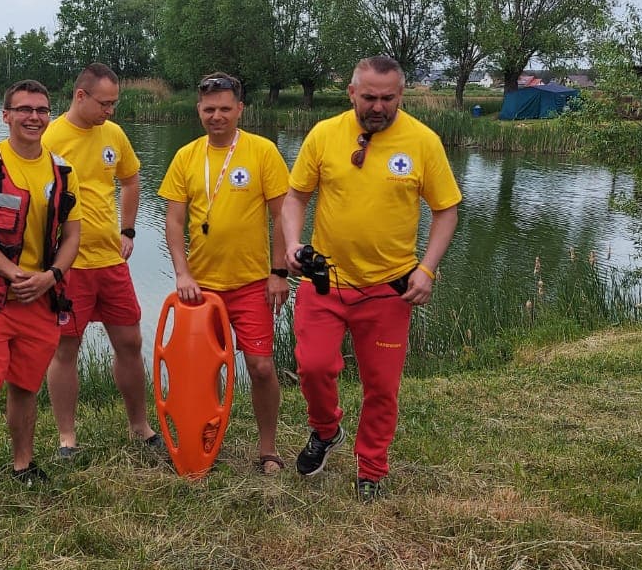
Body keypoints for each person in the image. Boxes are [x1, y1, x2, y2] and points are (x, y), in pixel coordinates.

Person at [280, 55, 461, 501]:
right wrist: (290, 244)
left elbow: (446, 210)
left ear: (401, 94)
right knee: (313, 367)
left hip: (389, 290)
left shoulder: (423, 141)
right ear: (352, 93)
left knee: (381, 386)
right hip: (324, 283)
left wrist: (427, 269)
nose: (377, 107)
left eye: (388, 98)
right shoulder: (324, 135)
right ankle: (326, 430)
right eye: (369, 98)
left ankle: (372, 470)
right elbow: (294, 197)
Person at [0, 80, 82, 505]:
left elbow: (72, 234)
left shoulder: (62, 170)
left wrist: (52, 276)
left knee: (26, 387)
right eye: (24, 109)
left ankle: (23, 464)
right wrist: (13, 274)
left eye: (42, 110)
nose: (34, 117)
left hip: (40, 297)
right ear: (5, 115)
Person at [158, 72, 292, 472]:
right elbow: (174, 222)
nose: (217, 116)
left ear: (240, 109)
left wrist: (279, 272)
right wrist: (182, 274)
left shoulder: (262, 152)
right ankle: (206, 443)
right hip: (201, 289)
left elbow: (282, 216)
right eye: (209, 109)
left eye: (225, 109)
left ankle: (267, 449)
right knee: (204, 370)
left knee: (261, 366)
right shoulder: (186, 156)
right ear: (199, 110)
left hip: (251, 284)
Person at [41, 63, 160, 456]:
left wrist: (128, 230)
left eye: (115, 103)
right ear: (80, 96)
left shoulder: (114, 134)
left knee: (129, 340)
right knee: (66, 348)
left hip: (110, 260)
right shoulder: (51, 137)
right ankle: (67, 438)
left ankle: (140, 428)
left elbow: (130, 179)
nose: (110, 110)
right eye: (105, 103)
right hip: (68, 264)